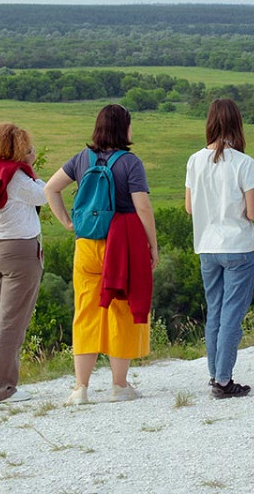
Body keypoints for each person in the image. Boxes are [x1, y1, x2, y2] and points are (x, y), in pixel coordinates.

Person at [43, 104, 159, 404]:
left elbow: (51, 189)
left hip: (86, 244)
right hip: (120, 247)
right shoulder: (130, 163)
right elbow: (142, 207)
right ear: (124, 128)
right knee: (121, 310)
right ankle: (119, 386)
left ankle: (80, 388)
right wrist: (152, 246)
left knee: (85, 312)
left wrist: (69, 223)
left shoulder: (82, 158)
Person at [184, 99, 254, 399]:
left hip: (207, 245)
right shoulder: (245, 163)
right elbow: (253, 213)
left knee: (215, 311)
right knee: (232, 313)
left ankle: (214, 374)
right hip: (239, 245)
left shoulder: (195, 160)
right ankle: (223, 380)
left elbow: (190, 208)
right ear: (236, 124)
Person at [0, 122, 46, 404]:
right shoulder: (16, 177)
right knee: (12, 322)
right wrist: (31, 165)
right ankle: (2, 389)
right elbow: (44, 194)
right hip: (19, 251)